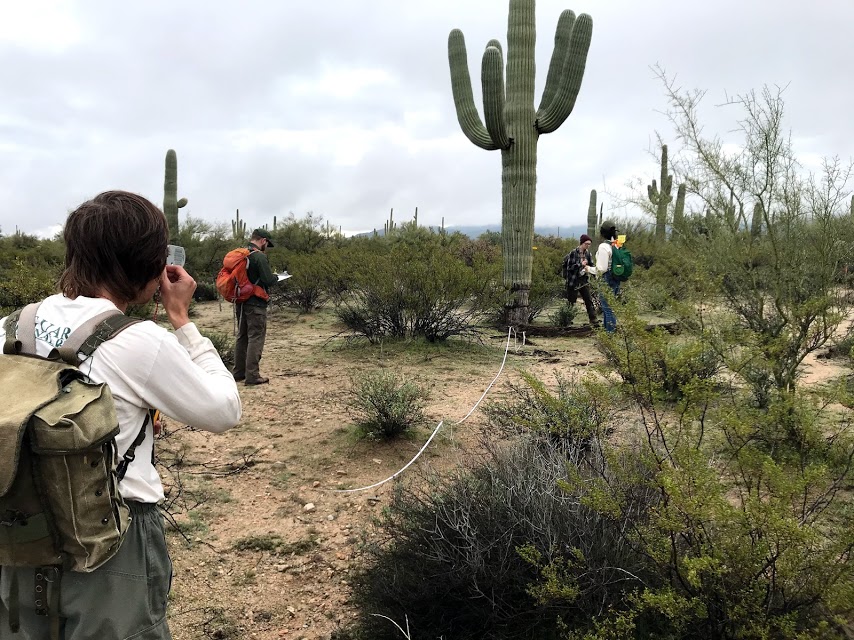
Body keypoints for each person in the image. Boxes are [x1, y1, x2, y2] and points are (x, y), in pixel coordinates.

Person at [0, 190, 242, 639]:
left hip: (19, 534)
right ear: (149, 264)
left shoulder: (11, 326)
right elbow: (224, 409)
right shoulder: (139, 342)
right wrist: (182, 320)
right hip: (111, 538)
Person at [232, 228, 278, 386]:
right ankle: (252, 375)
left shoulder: (240, 254)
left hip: (241, 301)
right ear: (263, 240)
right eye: (267, 244)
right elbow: (267, 279)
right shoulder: (259, 256)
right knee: (256, 337)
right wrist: (276, 277)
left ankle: (238, 372)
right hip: (256, 303)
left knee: (242, 336)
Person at [586, 220, 621, 333]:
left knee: (607, 309)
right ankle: (608, 334)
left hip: (606, 279)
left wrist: (588, 269)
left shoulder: (603, 247)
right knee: (610, 308)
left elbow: (601, 269)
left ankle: (610, 335)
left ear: (602, 233)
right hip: (616, 278)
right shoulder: (616, 245)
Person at [562, 233, 599, 326]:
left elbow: (592, 265)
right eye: (586, 243)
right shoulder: (573, 253)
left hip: (584, 280)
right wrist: (580, 264)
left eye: (589, 244)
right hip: (573, 280)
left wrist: (595, 274)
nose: (588, 246)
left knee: (588, 299)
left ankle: (593, 319)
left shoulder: (588, 254)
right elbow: (569, 267)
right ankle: (567, 320)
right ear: (582, 243)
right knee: (571, 301)